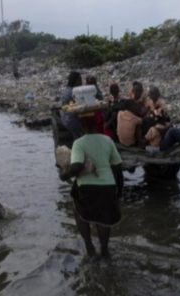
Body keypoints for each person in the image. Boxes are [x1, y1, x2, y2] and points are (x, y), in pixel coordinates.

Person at [59, 114, 123, 260]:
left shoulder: (79, 143)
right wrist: (118, 188)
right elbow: (117, 165)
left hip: (86, 187)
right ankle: (105, 251)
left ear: (82, 126)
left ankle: (90, 248)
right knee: (103, 219)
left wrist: (64, 176)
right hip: (107, 185)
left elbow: (77, 166)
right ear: (96, 125)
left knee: (79, 213)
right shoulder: (107, 140)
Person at [61, 71, 84, 139]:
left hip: (65, 118)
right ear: (75, 81)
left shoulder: (67, 90)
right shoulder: (74, 92)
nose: (81, 82)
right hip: (72, 120)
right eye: (79, 80)